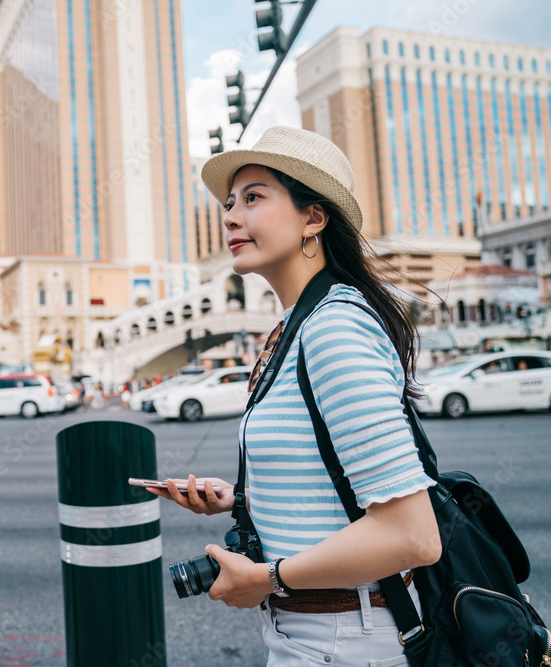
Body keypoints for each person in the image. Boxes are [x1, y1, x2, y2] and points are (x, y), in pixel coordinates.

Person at [147, 126, 440, 666]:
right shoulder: (295, 327)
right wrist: (241, 500)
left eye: (253, 197)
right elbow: (340, 490)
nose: (230, 216)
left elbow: (412, 536)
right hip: (312, 635)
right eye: (230, 202)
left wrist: (265, 577)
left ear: (314, 217)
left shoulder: (334, 328)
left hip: (347, 639)